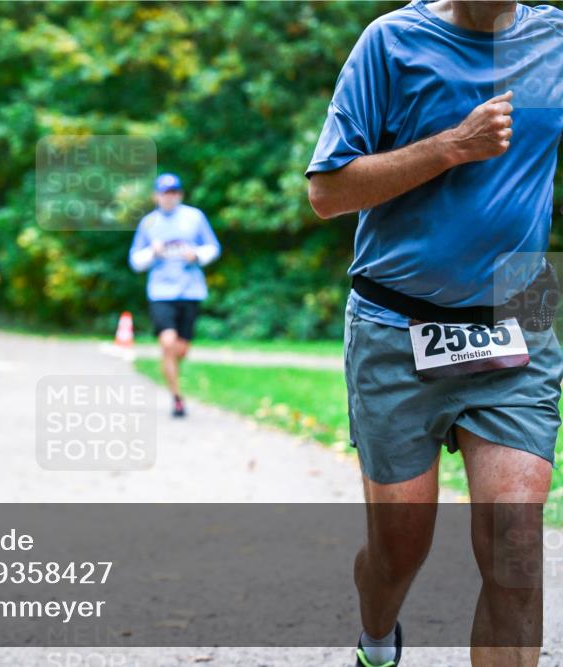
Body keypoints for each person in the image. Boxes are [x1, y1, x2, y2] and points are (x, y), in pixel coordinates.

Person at [306, 1, 562, 665]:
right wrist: (454, 146)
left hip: (521, 310)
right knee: (399, 550)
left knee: (516, 552)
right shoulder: (391, 44)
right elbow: (328, 193)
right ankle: (376, 631)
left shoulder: (554, 39)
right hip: (397, 318)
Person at [128, 173, 221, 418]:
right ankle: (177, 398)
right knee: (167, 343)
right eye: (164, 193)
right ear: (156, 196)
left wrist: (197, 255)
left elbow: (213, 247)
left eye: (173, 193)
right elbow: (135, 261)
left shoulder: (194, 218)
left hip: (190, 290)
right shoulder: (148, 224)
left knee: (180, 349)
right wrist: (152, 252)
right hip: (161, 292)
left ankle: (171, 370)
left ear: (179, 195)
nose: (169, 198)